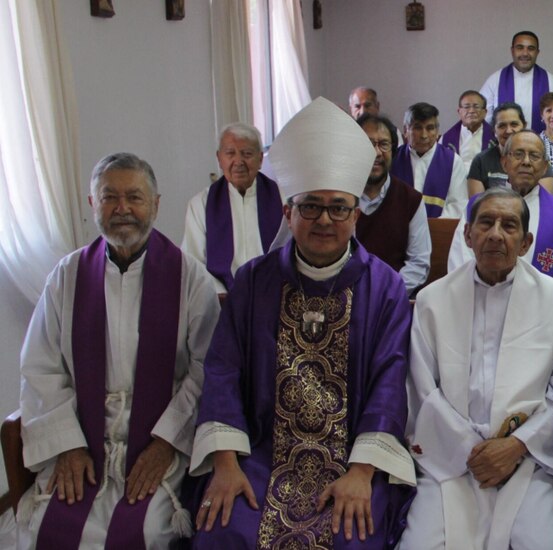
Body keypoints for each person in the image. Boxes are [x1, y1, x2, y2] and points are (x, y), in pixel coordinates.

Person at [190, 98, 415, 548]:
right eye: (310, 206)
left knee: (353, 537)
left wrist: (362, 472)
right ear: (288, 213)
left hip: (352, 458)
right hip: (261, 455)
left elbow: (390, 382)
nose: (324, 220)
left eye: (338, 208)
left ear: (355, 215)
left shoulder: (386, 288)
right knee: (225, 530)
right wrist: (226, 463)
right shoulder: (252, 281)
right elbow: (222, 370)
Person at [18, 153, 220, 549]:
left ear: (155, 205)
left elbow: (206, 368)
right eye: (109, 197)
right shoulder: (67, 276)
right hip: (83, 435)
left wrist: (166, 443)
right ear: (92, 204)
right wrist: (69, 444)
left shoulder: (190, 278)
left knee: (147, 530)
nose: (122, 208)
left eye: (134, 197)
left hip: (160, 436)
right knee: (46, 526)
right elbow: (41, 367)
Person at [401, 187, 553, 550]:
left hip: (529, 460)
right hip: (450, 457)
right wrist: (472, 450)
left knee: (541, 544)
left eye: (509, 225)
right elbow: (421, 389)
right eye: (485, 223)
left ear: (526, 242)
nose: (496, 234)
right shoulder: (433, 300)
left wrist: (516, 446)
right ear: (468, 235)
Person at [448, 130, 553, 288]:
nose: (526, 162)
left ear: (545, 167)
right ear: (504, 163)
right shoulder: (477, 206)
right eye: (518, 154)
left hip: (541, 301)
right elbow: (460, 264)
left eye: (534, 156)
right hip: (481, 298)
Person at [183, 122, 282, 295]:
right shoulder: (201, 204)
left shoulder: (283, 199)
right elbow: (193, 262)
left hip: (275, 295)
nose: (238, 162)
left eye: (247, 154)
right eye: (230, 153)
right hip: (222, 299)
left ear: (260, 159)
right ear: (219, 159)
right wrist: (221, 295)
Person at [356, 113, 430, 294]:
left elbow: (418, 263)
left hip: (392, 297)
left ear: (393, 151)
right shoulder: (340, 197)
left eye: (384, 144)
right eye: (368, 144)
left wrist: (385, 294)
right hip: (346, 296)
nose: (376, 153)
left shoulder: (411, 200)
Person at [480, 31, 553, 135]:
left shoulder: (550, 80)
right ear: (512, 51)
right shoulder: (495, 80)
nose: (525, 53)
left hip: (541, 144)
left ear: (537, 52)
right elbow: (482, 119)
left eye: (531, 48)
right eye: (520, 48)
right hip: (505, 144)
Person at [392, 102, 467, 218]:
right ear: (406, 130)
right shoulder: (393, 159)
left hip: (437, 227)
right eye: (417, 128)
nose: (424, 135)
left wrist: (430, 226)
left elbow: (457, 205)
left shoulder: (453, 162)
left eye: (430, 128)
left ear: (437, 132)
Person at [467, 102, 553, 197]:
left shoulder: (538, 159)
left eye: (514, 124)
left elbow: (544, 201)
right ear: (494, 130)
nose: (508, 131)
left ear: (524, 126)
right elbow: (477, 203)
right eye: (502, 126)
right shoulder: (481, 161)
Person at [440, 90, 493, 168]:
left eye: (476, 107)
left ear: (484, 112)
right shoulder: (445, 139)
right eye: (467, 107)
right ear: (459, 111)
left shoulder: (495, 137)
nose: (471, 111)